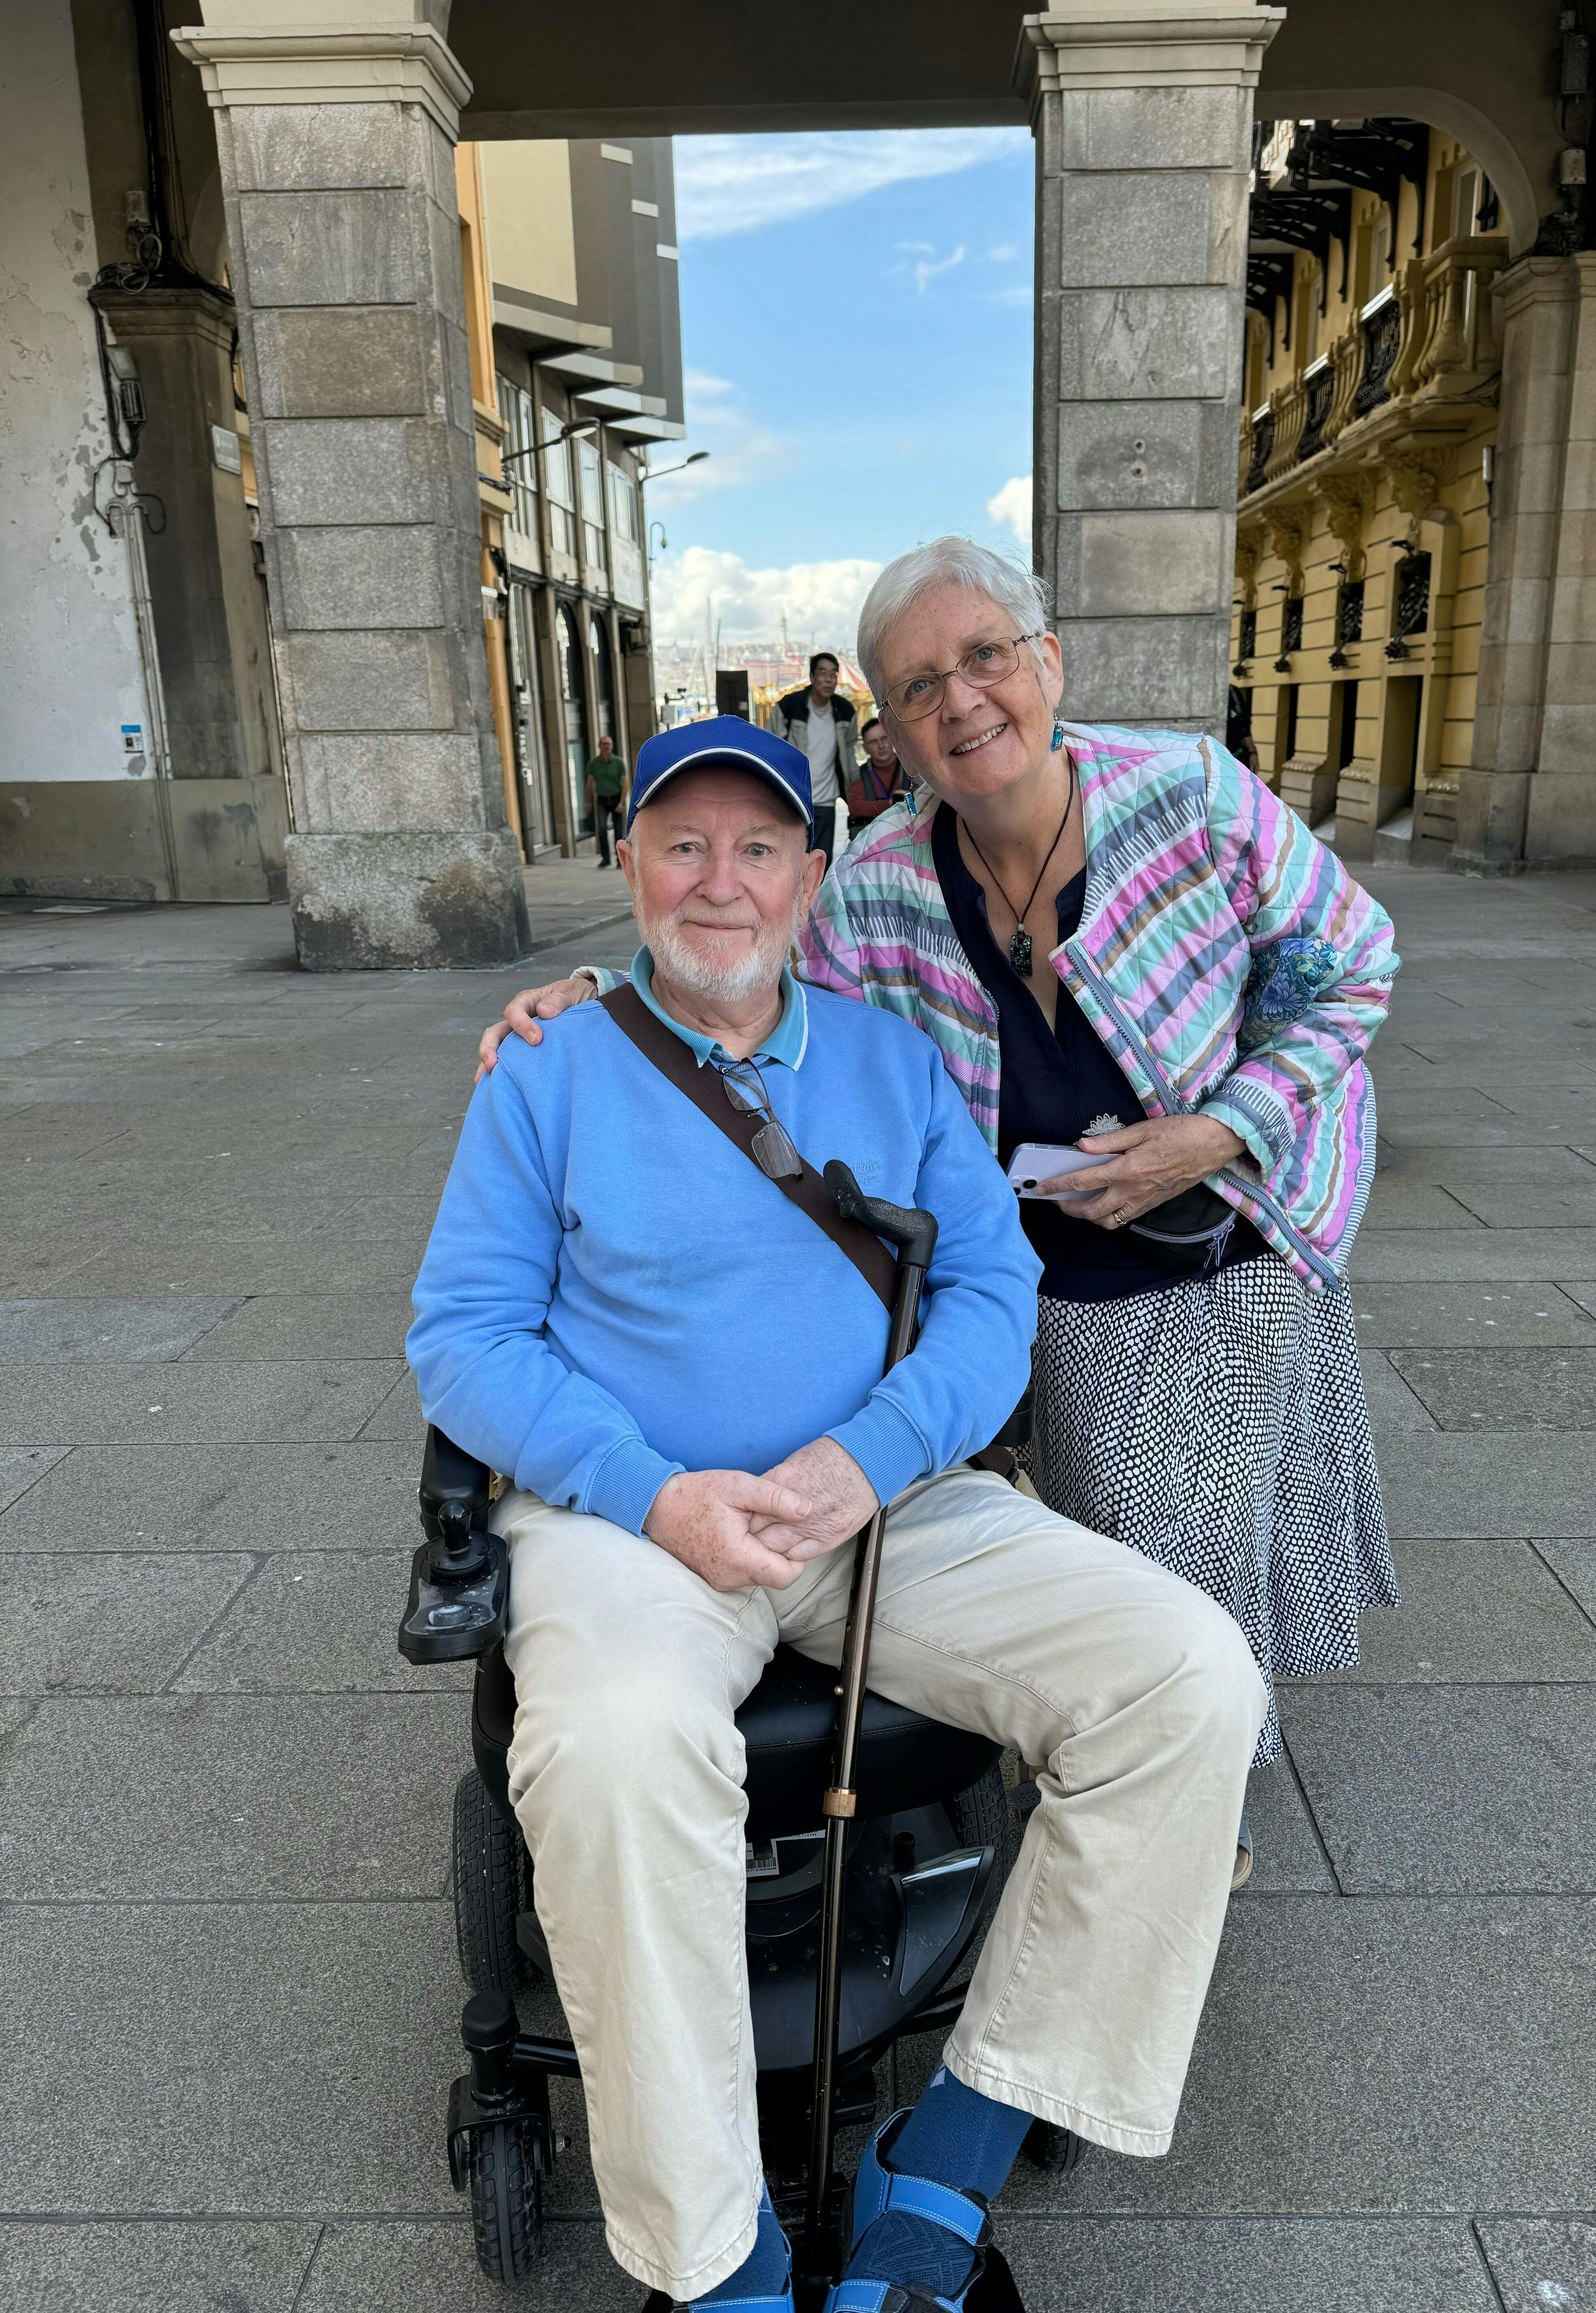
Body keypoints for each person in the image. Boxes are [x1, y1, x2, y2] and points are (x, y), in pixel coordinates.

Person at [414, 715, 1265, 2313]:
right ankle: (718, 2257)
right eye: (681, 845)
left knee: (1192, 1677)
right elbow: (460, 1335)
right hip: (631, 1525)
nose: (716, 882)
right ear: (630, 867)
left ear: (814, 876)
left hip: (883, 1509)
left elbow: (993, 1297)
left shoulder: (893, 1060)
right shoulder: (552, 1069)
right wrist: (655, 1494)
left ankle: (951, 2147)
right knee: (607, 1749)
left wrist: (869, 1458)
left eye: (755, 848)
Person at [478, 541, 1400, 1885]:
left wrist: (1221, 1130)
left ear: (1047, 664)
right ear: (891, 731)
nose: (960, 700)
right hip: (1023, 1257)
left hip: (1221, 1234)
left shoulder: (1189, 800)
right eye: (917, 687)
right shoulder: (886, 882)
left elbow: (1352, 970)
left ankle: (1195, 1815)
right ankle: (1116, 1753)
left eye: (984, 658)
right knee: (1073, 1519)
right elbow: (739, 955)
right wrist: (594, 1000)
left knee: (1179, 1537)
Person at [768, 649, 858, 868]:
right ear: (812, 676)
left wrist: (855, 790)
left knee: (821, 862)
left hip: (827, 800)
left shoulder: (845, 711)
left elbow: (850, 754)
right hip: (795, 797)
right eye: (823, 673)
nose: (828, 679)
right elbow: (771, 748)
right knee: (789, 860)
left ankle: (817, 904)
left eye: (833, 674)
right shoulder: (789, 707)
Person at [846, 713, 916, 837]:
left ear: (892, 739)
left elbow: (925, 800)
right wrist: (890, 804)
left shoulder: (911, 767)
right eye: (873, 742)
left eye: (884, 739)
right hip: (874, 838)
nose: (881, 746)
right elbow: (855, 807)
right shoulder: (861, 774)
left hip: (910, 833)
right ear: (865, 748)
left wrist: (909, 798)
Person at [585, 732, 626, 868]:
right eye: (604, 744)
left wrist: (622, 802)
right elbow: (590, 783)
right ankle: (606, 858)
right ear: (599, 746)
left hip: (616, 798)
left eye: (608, 744)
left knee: (618, 831)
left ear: (612, 747)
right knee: (602, 829)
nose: (606, 747)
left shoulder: (619, 762)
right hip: (602, 799)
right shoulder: (594, 764)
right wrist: (588, 802)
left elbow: (625, 783)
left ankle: (620, 860)